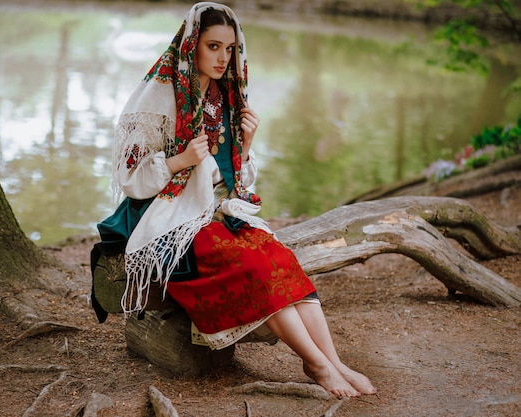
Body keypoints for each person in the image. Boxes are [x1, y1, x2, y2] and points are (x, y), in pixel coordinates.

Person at [99, 1, 376, 398]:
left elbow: (233, 183)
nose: (223, 58)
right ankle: (315, 365)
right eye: (213, 46)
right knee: (254, 266)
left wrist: (245, 145)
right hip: (169, 219)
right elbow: (130, 179)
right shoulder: (159, 97)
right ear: (192, 44)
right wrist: (180, 159)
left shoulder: (225, 95)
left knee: (279, 257)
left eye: (229, 49)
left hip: (214, 212)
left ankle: (335, 362)